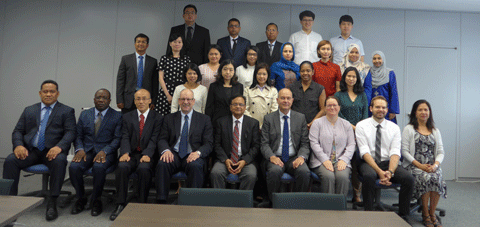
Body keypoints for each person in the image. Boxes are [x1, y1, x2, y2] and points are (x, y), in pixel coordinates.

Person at [4, 80, 76, 221]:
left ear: (58, 93)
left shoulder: (66, 111)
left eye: (52, 91)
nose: (48, 94)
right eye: (45, 91)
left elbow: (70, 132)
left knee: (60, 161)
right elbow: (18, 131)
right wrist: (19, 145)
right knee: (11, 160)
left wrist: (59, 147)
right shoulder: (29, 110)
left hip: (53, 151)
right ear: (40, 93)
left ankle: (52, 202)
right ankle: (8, 201)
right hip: (31, 150)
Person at [356, 96, 414, 219]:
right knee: (369, 176)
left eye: (383, 107)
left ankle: (403, 216)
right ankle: (368, 214)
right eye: (377, 107)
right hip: (368, 162)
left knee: (408, 178)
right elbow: (364, 152)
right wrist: (380, 172)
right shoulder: (361, 126)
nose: (380, 110)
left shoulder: (394, 128)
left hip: (388, 163)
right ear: (371, 109)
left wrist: (390, 172)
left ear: (387, 110)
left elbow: (395, 152)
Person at [110, 89, 163, 221]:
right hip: (131, 154)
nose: (141, 101)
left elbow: (155, 138)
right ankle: (120, 204)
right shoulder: (127, 117)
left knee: (144, 169)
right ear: (134, 101)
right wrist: (125, 152)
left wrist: (148, 154)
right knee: (122, 167)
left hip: (148, 154)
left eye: (144, 98)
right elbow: (125, 136)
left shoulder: (158, 117)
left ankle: (141, 204)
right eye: (138, 99)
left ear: (150, 100)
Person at [69, 89, 122, 216]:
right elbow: (78, 136)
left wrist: (105, 151)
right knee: (74, 167)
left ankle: (96, 200)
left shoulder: (117, 116)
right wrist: (80, 149)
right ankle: (81, 198)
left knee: (99, 167)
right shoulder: (85, 114)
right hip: (86, 151)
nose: (101, 100)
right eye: (98, 97)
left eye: (105, 98)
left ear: (110, 100)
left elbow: (117, 139)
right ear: (94, 99)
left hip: (106, 153)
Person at [156, 89, 213, 203]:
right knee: (162, 164)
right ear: (178, 101)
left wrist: (198, 153)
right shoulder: (169, 118)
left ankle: (192, 203)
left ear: (193, 101)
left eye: (189, 99)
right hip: (174, 153)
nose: (185, 102)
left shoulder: (204, 119)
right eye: (183, 99)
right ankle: (161, 201)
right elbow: (162, 139)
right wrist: (166, 150)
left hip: (193, 154)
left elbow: (209, 143)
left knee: (196, 166)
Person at [259, 88, 311, 208]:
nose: (285, 101)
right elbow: (264, 143)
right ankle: (274, 203)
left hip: (294, 157)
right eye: (282, 98)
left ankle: (298, 203)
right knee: (274, 171)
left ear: (292, 100)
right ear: (277, 100)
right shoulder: (269, 118)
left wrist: (301, 157)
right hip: (275, 157)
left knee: (304, 171)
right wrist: (271, 156)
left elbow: (305, 143)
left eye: (288, 98)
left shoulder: (300, 118)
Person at [402, 100, 447, 227]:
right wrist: (419, 165)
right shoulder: (409, 129)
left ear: (429, 112)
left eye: (426, 110)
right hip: (413, 165)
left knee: (437, 178)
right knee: (426, 178)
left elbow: (441, 152)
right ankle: (425, 215)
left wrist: (436, 165)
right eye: (420, 110)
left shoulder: (435, 130)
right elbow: (404, 152)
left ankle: (432, 214)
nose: (423, 112)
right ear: (415, 113)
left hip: (432, 166)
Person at [334, 66, 369, 202]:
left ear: (357, 79)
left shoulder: (362, 95)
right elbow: (339, 114)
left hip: (359, 134)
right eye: (349, 76)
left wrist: (358, 129)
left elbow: (365, 114)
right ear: (344, 78)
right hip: (342, 133)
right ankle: (339, 194)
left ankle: (357, 193)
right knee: (343, 161)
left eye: (354, 76)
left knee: (356, 162)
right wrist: (352, 127)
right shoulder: (338, 95)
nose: (351, 79)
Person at [211, 95, 260, 190]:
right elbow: (216, 144)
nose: (238, 107)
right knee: (216, 172)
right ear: (230, 107)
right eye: (235, 104)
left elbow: (256, 146)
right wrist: (225, 159)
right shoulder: (221, 122)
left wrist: (244, 161)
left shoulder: (253, 123)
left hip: (245, 160)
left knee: (251, 175)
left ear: (245, 107)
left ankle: (242, 203)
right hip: (225, 158)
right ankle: (219, 203)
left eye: (241, 104)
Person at [309, 96, 355, 196]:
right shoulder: (317, 123)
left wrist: (344, 159)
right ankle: (328, 207)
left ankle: (340, 207)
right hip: (320, 161)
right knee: (328, 176)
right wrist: (325, 160)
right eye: (329, 105)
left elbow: (351, 144)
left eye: (335, 105)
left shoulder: (346, 124)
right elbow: (314, 143)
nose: (332, 108)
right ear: (325, 108)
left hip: (341, 160)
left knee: (342, 177)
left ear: (339, 107)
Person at [117, 33, 158, 114]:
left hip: (145, 100)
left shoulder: (153, 61)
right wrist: (119, 99)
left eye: (143, 42)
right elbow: (120, 81)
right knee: (127, 124)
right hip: (128, 100)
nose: (141, 44)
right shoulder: (126, 59)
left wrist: (153, 101)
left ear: (147, 45)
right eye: (138, 42)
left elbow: (155, 83)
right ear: (135, 44)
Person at [155, 33, 191, 116]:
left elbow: (189, 77)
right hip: (166, 91)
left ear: (182, 44)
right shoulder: (164, 58)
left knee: (179, 117)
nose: (177, 44)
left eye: (179, 42)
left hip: (182, 92)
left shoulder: (186, 59)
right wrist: (168, 95)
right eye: (174, 42)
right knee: (163, 117)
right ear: (170, 43)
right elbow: (160, 78)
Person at [205, 59, 244, 126]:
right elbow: (209, 107)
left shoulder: (239, 86)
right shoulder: (214, 86)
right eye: (225, 69)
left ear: (234, 71)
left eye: (231, 70)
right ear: (221, 70)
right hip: (217, 121)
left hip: (233, 121)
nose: (228, 72)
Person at [289, 61, 326, 128]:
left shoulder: (320, 89)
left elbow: (323, 109)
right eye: (303, 71)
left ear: (313, 72)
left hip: (314, 126)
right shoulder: (292, 88)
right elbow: (288, 107)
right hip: (295, 125)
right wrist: (294, 120)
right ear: (299, 72)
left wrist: (313, 123)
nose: (305, 73)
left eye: (308, 71)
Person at [367, 51, 400, 123]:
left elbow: (394, 92)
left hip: (386, 109)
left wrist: (393, 111)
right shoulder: (368, 72)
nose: (377, 61)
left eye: (379, 58)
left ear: (383, 59)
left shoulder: (389, 73)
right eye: (374, 58)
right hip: (372, 108)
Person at [244, 63, 278, 128]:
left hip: (268, 126)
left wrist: (265, 125)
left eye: (264, 74)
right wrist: (254, 124)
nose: (261, 76)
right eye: (259, 74)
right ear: (255, 75)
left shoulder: (273, 90)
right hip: (251, 125)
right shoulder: (248, 90)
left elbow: (274, 110)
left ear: (268, 75)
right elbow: (245, 109)